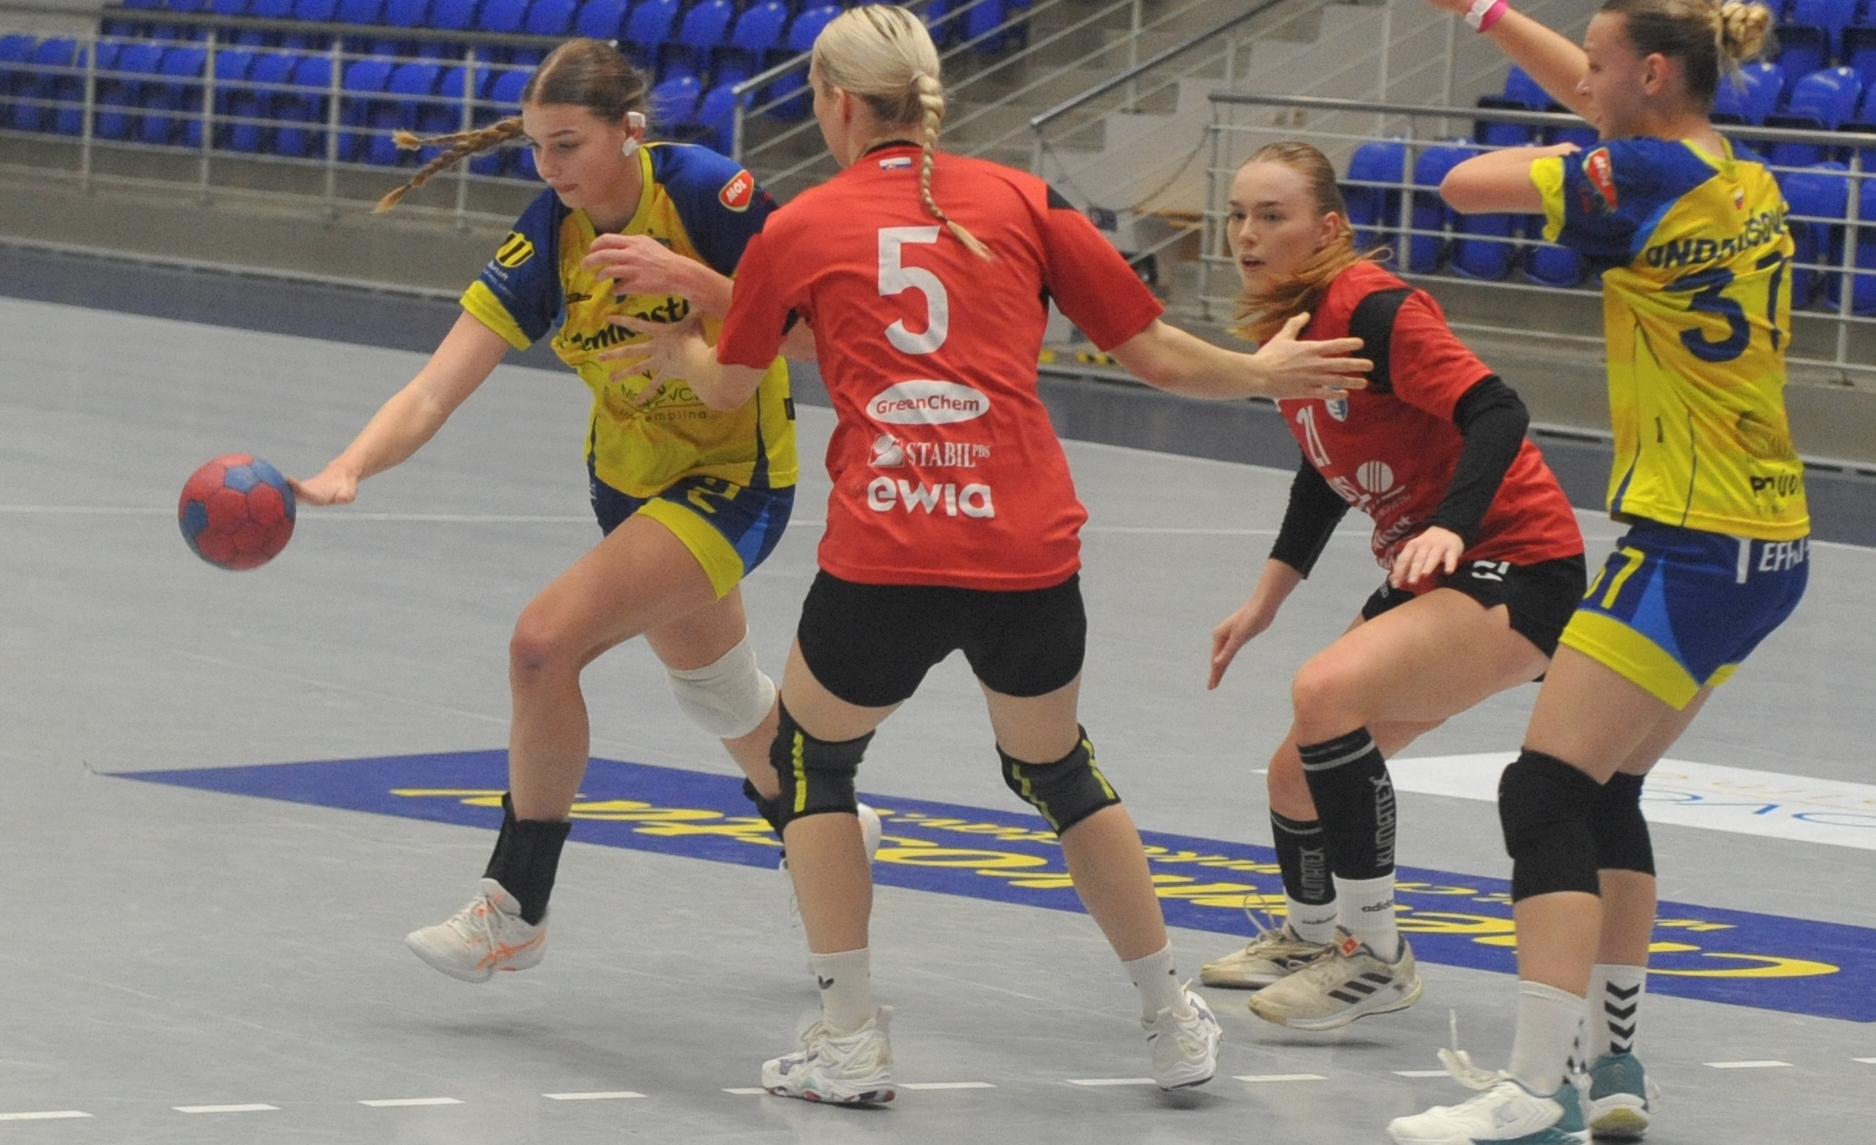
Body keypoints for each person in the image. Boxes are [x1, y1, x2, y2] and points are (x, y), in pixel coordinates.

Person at [607, 4, 1375, 1105]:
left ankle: (849, 1039)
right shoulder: (1023, 199)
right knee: (1057, 770)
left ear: (836, 102)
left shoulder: (802, 222)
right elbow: (1155, 351)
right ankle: (1168, 1015)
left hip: (887, 547)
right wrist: (1260, 374)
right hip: (1022, 545)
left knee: (811, 765)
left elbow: (731, 382)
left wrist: (680, 340)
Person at [292, 38, 846, 984]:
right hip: (627, 484)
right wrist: (349, 466)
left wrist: (698, 288)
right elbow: (435, 387)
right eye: (536, 148)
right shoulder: (549, 234)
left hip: (732, 480)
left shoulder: (710, 195)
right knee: (719, 694)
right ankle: (827, 828)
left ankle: (516, 906)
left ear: (628, 132)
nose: (550, 169)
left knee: (542, 646)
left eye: (568, 145)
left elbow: (820, 333)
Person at [1389, 2, 1804, 1142]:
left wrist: (1575, 150)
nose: (1583, 80)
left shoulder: (1639, 179)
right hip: (1769, 540)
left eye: (1601, 64)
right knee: (1605, 786)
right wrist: (1490, 17)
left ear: (1653, 72)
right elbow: (1605, 107)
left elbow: (1463, 186)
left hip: (1690, 540)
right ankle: (1615, 1061)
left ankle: (1537, 1087)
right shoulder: (1742, 174)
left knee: (1542, 792)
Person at [1198, 142, 1586, 1036]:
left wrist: (1451, 523)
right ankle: (1309, 935)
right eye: (1239, 215)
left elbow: (1498, 408)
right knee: (1295, 775)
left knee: (1325, 691)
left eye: (1272, 216)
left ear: (1328, 228)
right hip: (1432, 567)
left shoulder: (1374, 309)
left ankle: (1375, 954)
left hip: (1516, 561)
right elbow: (1323, 466)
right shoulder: (1286, 330)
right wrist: (1266, 598)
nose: (1247, 234)